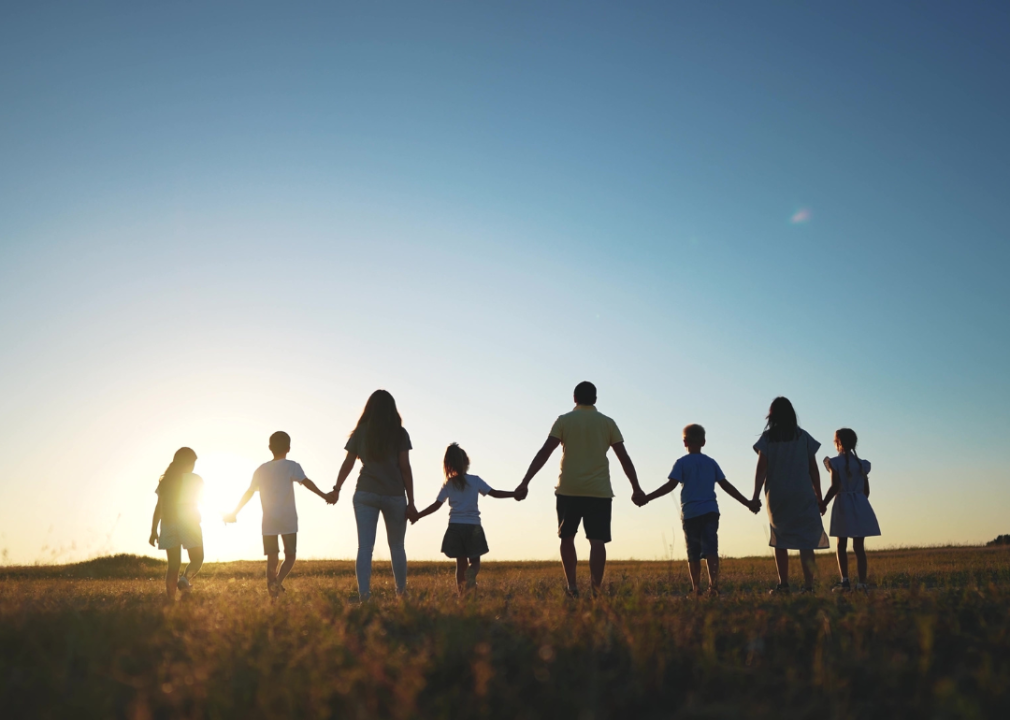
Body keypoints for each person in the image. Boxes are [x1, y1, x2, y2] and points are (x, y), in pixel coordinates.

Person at [514, 381, 645, 597]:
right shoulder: (607, 423)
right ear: (595, 399)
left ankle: (572, 587)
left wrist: (525, 481)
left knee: (567, 538)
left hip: (568, 489)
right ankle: (596, 590)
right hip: (599, 490)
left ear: (574, 398)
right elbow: (624, 459)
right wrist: (636, 488)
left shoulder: (564, 420)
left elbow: (544, 452)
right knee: (597, 541)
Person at [637, 424, 760, 596]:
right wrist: (747, 502)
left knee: (693, 551)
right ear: (704, 441)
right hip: (711, 511)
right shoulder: (711, 463)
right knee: (711, 549)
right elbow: (726, 486)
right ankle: (713, 586)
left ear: (684, 442)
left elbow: (670, 485)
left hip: (691, 514)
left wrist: (647, 498)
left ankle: (696, 587)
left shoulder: (681, 463)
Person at [326, 390, 417, 600]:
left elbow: (348, 463)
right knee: (397, 546)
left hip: (365, 492)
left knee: (365, 547)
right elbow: (405, 468)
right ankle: (401, 594)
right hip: (394, 494)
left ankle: (364, 595)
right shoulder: (400, 433)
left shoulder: (361, 432)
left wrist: (337, 488)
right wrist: (411, 501)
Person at [224, 431, 329, 597]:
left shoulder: (261, 469)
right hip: (287, 519)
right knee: (290, 555)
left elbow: (249, 492)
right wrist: (324, 495)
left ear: (269, 447)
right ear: (288, 448)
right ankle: (277, 582)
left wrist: (234, 512)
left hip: (269, 521)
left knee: (272, 558)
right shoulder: (292, 465)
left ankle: (273, 592)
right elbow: (306, 482)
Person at [412, 443, 515, 595]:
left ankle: (463, 597)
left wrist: (418, 516)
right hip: (473, 527)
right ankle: (471, 575)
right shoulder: (475, 481)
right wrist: (514, 494)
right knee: (475, 562)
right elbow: (494, 493)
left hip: (455, 528)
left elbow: (436, 505)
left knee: (460, 565)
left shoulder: (449, 484)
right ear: (466, 462)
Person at [750, 397, 829, 594]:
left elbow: (761, 469)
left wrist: (755, 495)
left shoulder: (767, 439)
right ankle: (809, 586)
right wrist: (819, 497)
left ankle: (783, 584)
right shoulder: (803, 437)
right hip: (802, 493)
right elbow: (814, 470)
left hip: (777, 495)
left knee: (780, 538)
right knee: (806, 541)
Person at [821, 428, 880, 592]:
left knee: (841, 544)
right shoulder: (863, 464)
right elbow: (866, 491)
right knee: (859, 547)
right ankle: (862, 583)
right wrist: (859, 501)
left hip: (843, 503)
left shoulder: (834, 463)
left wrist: (824, 503)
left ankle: (845, 581)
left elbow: (835, 487)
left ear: (838, 443)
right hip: (860, 504)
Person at [149, 447, 204, 602]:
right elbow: (205, 500)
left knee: (173, 566)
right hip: (189, 519)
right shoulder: (195, 479)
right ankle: (185, 579)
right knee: (197, 558)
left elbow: (158, 508)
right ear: (190, 462)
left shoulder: (166, 482)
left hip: (168, 523)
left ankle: (170, 601)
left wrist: (153, 531)